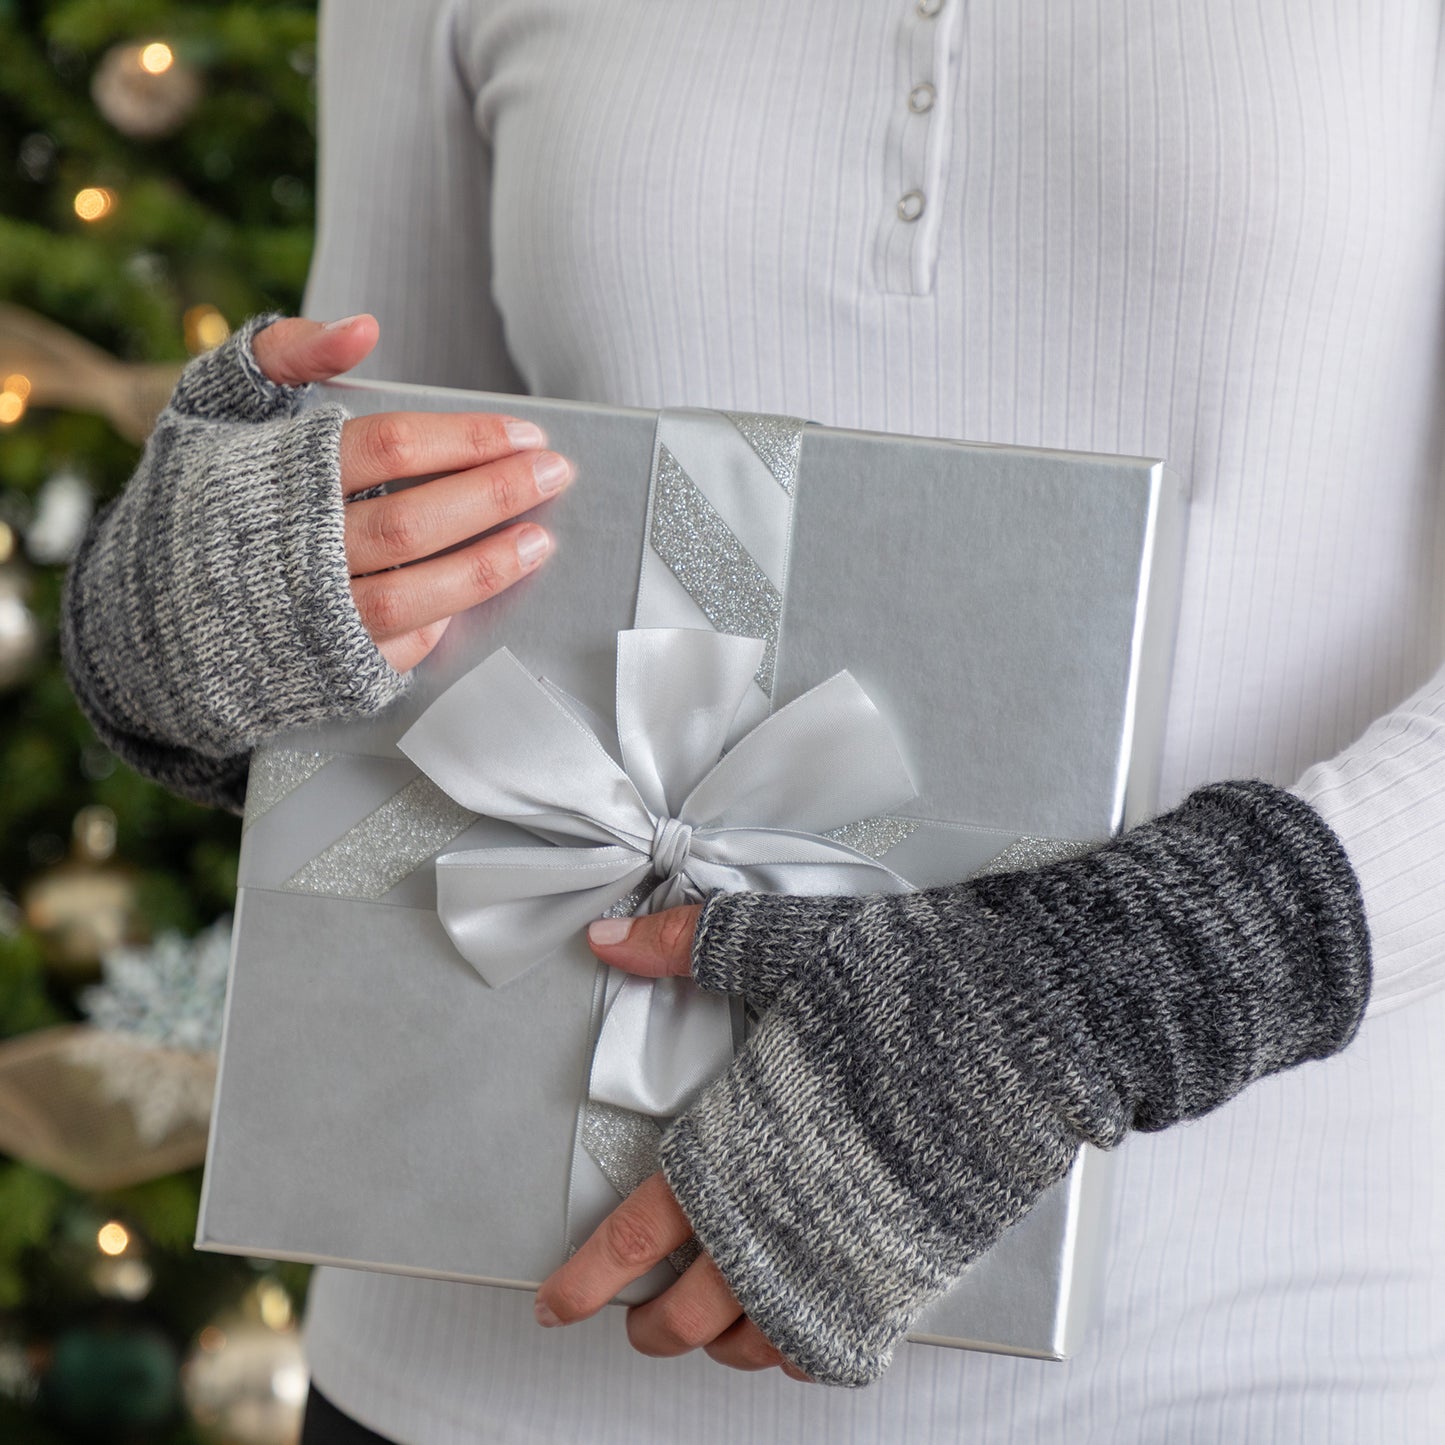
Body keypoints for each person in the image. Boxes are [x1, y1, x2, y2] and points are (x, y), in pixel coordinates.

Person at [60, 2, 1445, 1441]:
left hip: (1256, 1353)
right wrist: (200, 621)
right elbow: (393, 484)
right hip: (478, 1342)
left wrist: (1113, 987)